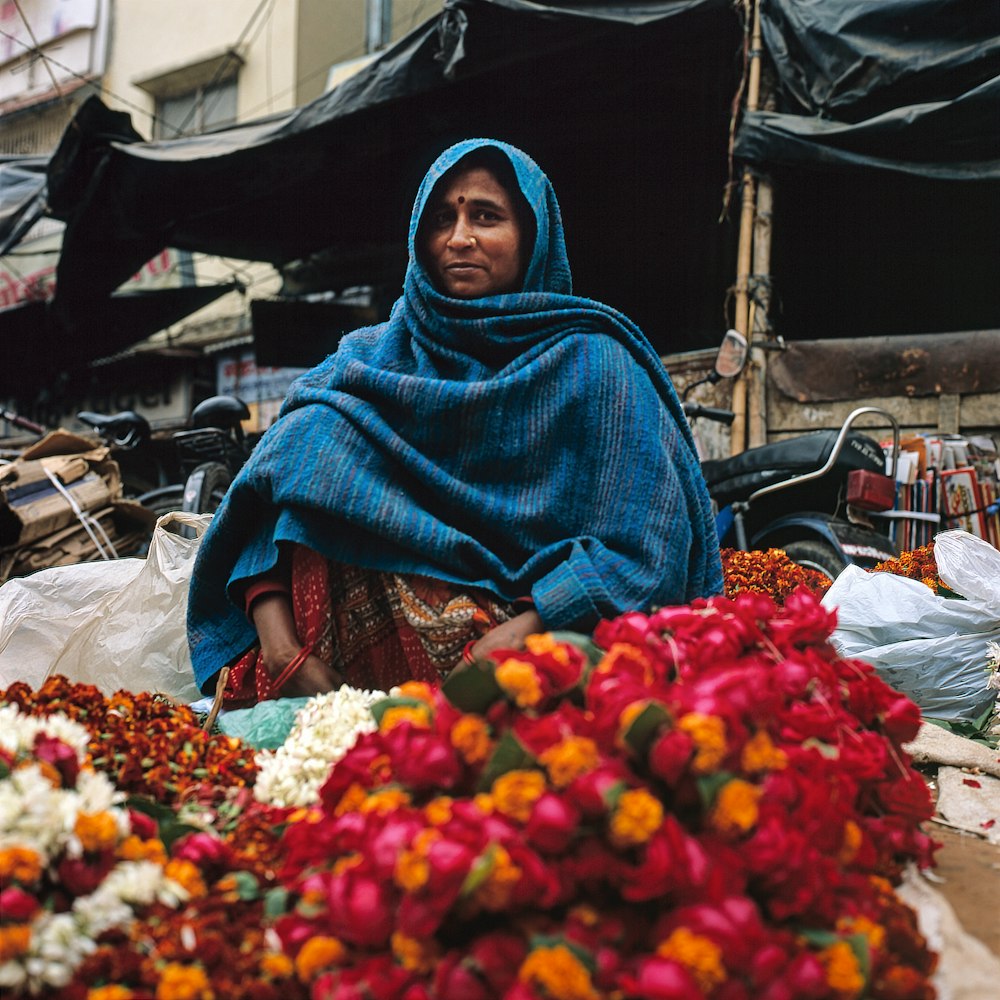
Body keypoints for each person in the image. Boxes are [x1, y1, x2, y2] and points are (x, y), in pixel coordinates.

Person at [186, 139, 723, 701]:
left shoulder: (596, 366)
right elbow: (263, 504)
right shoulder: (363, 364)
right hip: (329, 701)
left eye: (486, 216)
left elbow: (648, 544)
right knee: (314, 439)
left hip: (526, 683)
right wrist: (280, 651)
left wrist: (525, 632)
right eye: (442, 218)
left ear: (532, 236)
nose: (459, 238)